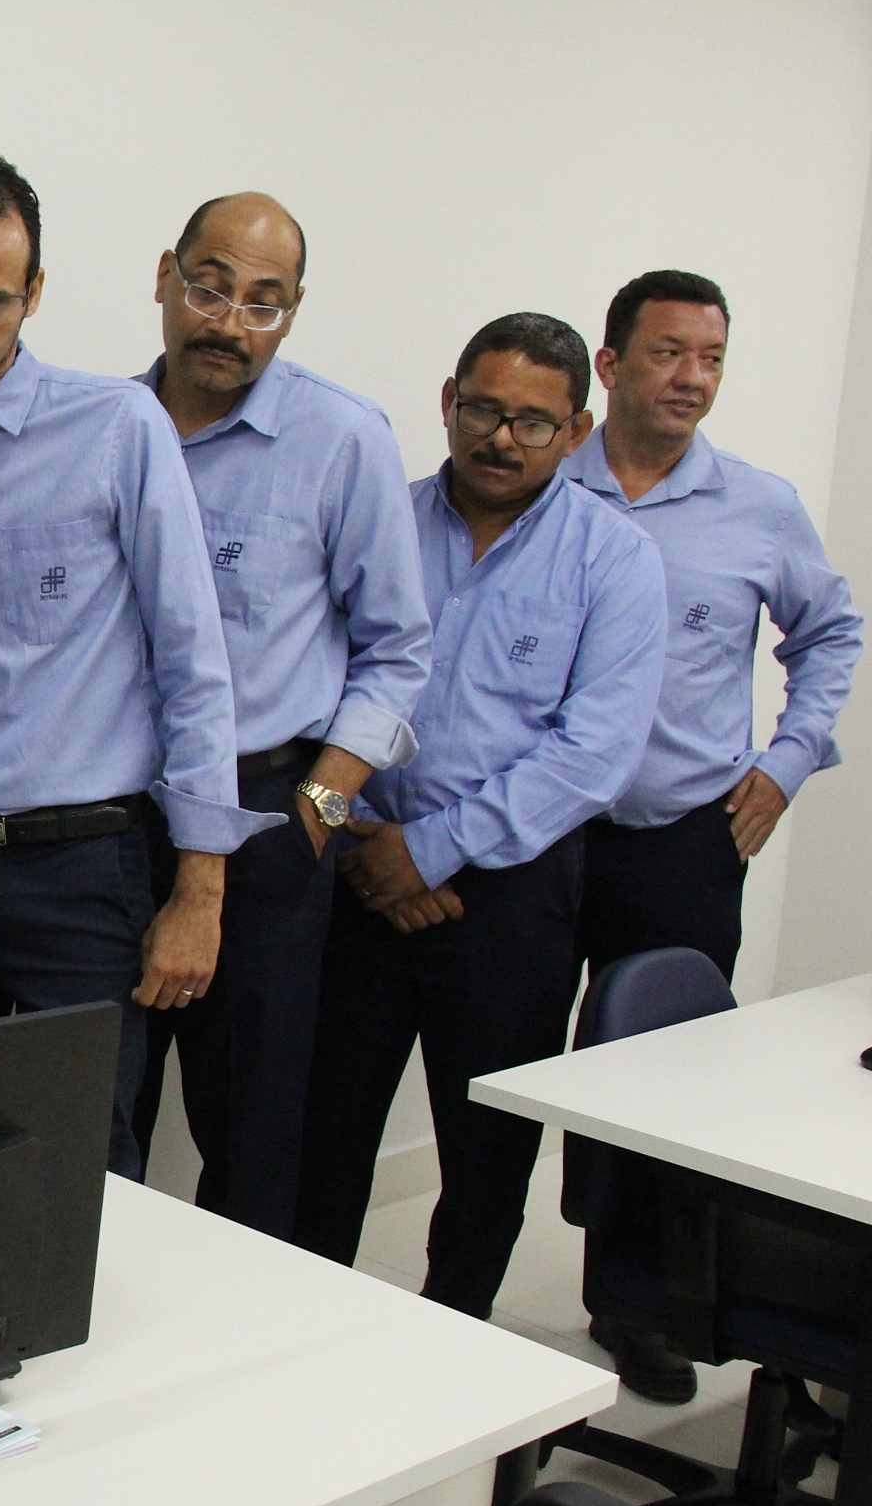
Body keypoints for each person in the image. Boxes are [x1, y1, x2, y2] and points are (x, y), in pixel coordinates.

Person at [0, 153, 275, 1175]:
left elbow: (194, 664)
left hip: (78, 872)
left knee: (78, 1158)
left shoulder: (119, 429)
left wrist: (200, 892)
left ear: (33, 294)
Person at [294, 313, 667, 1321]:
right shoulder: (376, 521)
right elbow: (312, 690)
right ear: (449, 400)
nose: (503, 438)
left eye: (535, 423)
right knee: (320, 1137)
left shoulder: (615, 562)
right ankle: (298, 1333)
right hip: (358, 873)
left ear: (578, 429)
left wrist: (431, 851)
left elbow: (594, 754)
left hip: (510, 898)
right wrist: (363, 840)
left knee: (486, 1153)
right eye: (486, 410)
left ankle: (453, 1341)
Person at [562, 270, 862, 1400]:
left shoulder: (759, 506)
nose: (691, 379)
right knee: (500, 1066)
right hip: (543, 834)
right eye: (668, 354)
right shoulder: (550, 481)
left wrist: (786, 764)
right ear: (612, 363)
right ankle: (463, 1294)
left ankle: (633, 1306)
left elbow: (831, 634)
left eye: (712, 359)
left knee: (662, 1081)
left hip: (681, 837)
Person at [126, 194, 431, 1239]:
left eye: (264, 302)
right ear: (165, 276)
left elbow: (398, 651)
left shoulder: (341, 439)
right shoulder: (105, 428)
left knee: (253, 1126)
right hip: (116, 817)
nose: (229, 321)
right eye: (211, 286)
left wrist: (320, 808)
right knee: (100, 1113)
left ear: (293, 313)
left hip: (271, 815)